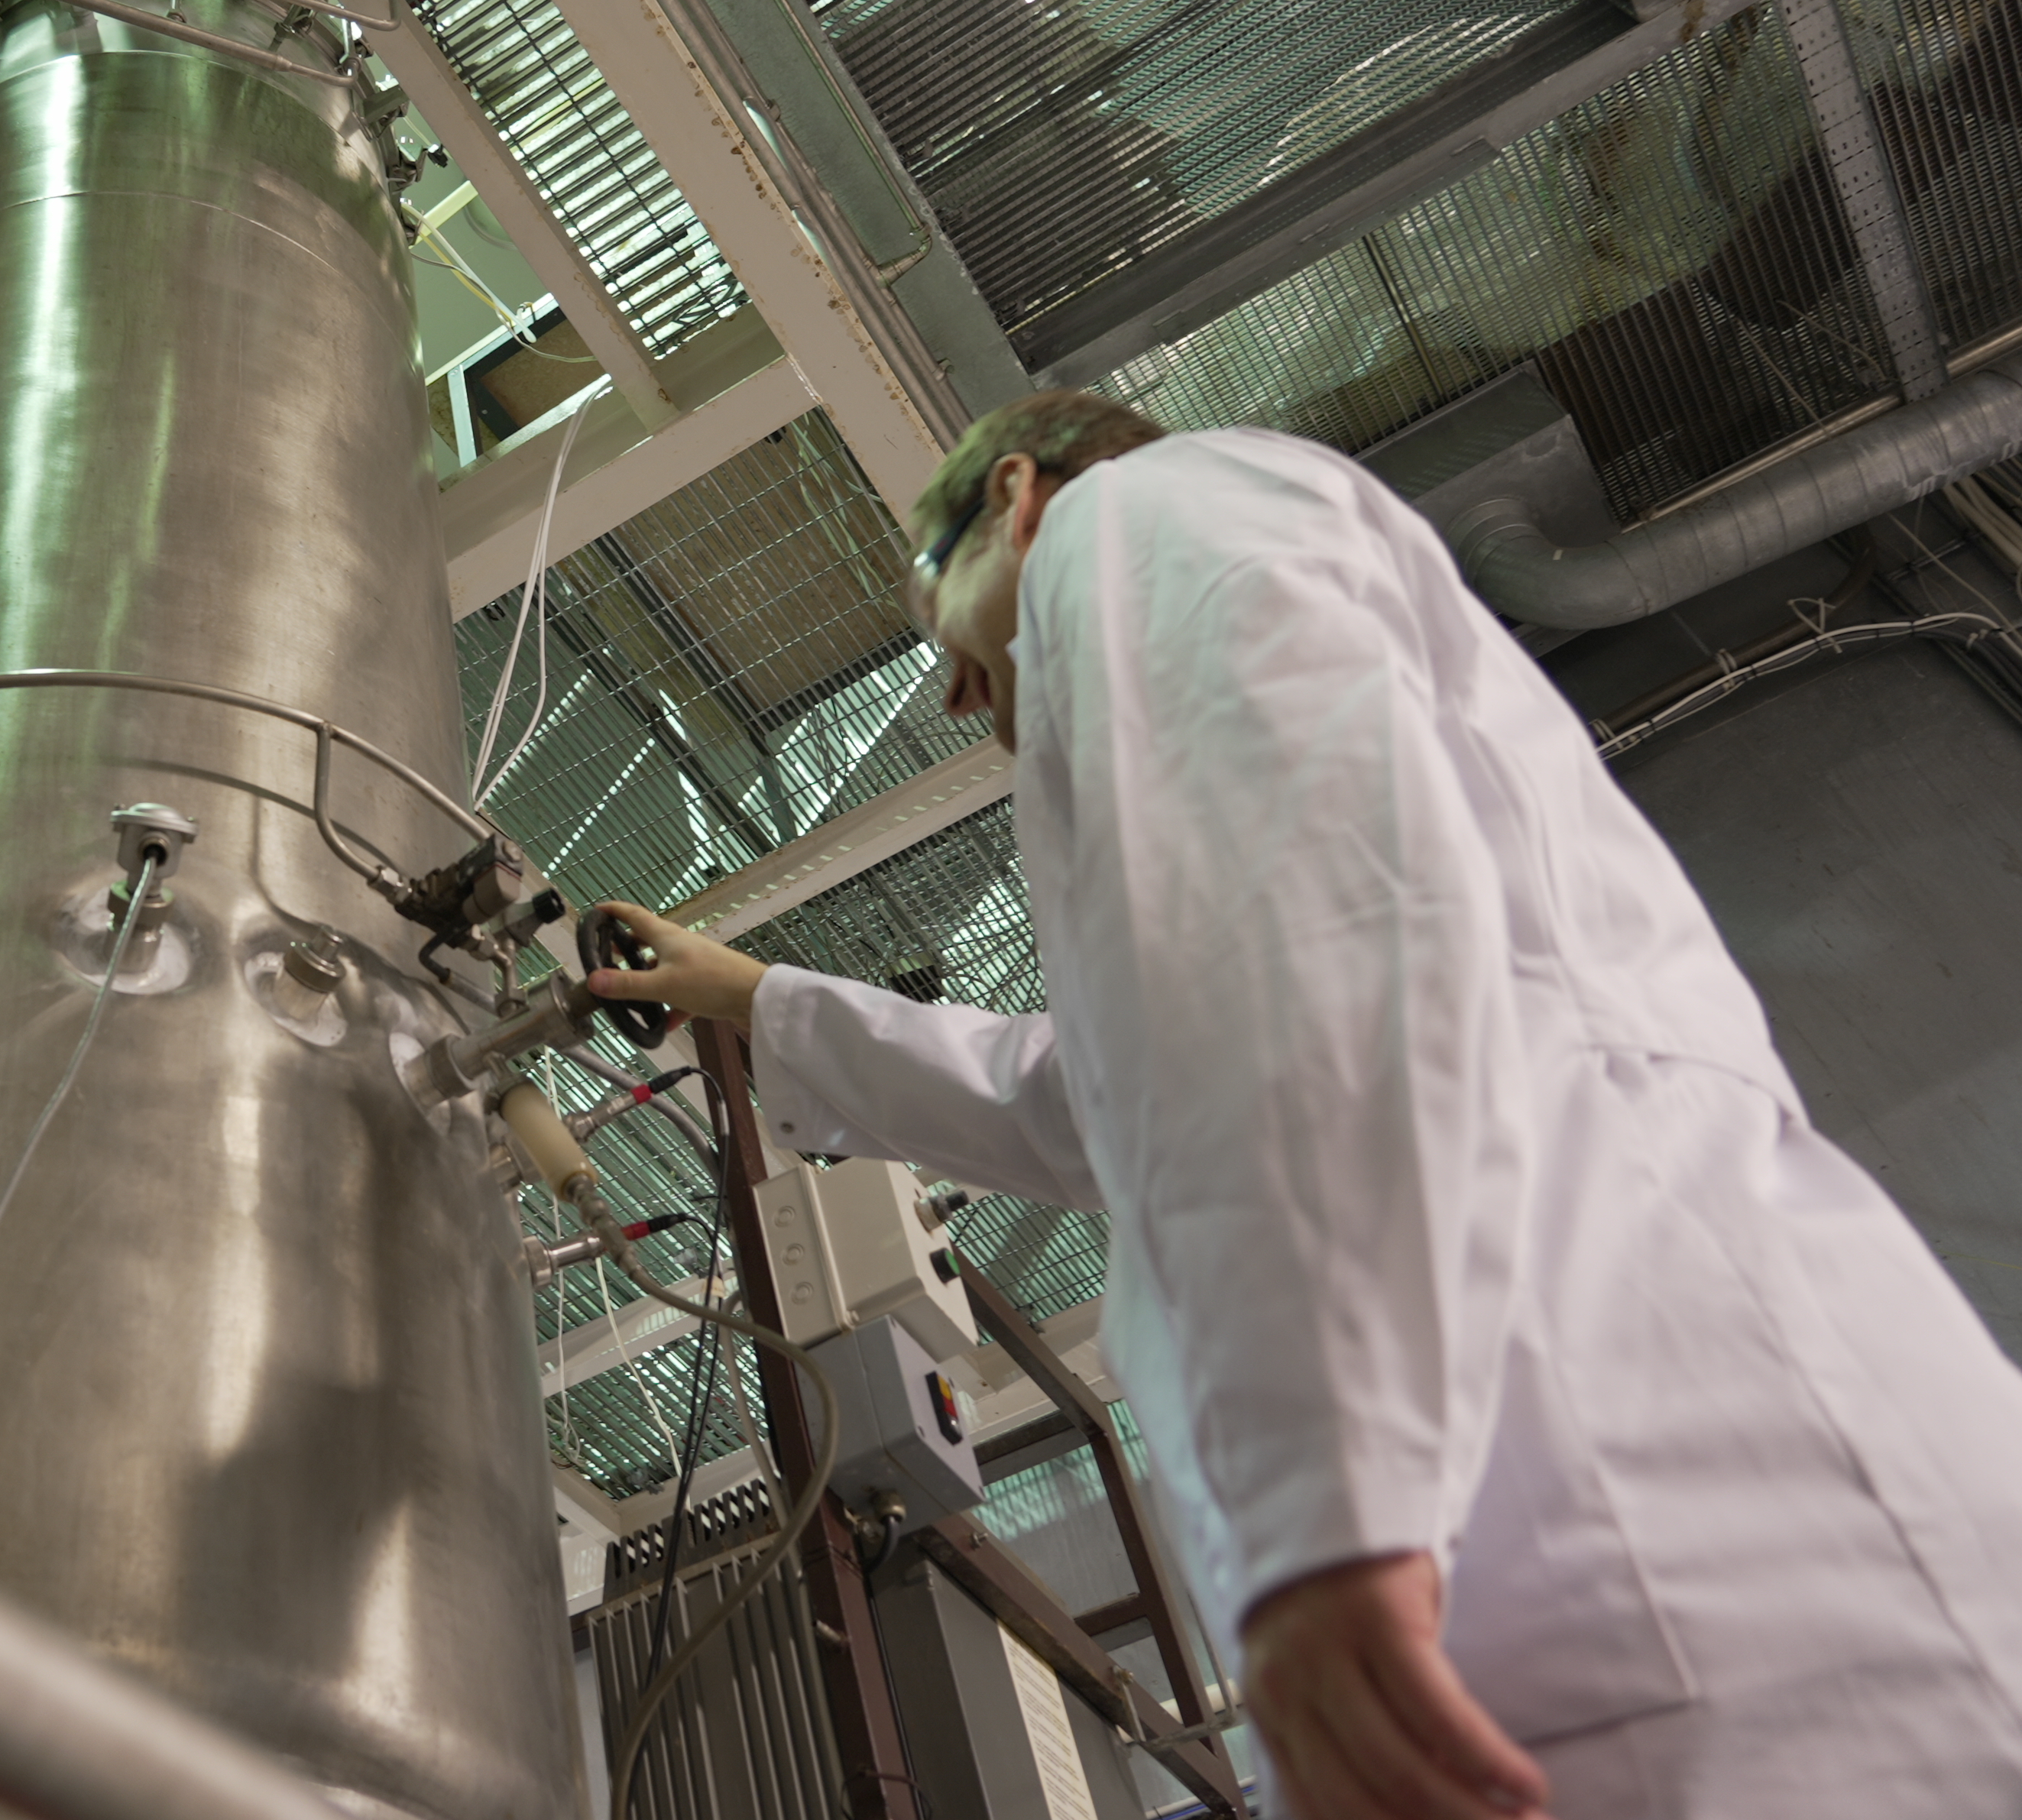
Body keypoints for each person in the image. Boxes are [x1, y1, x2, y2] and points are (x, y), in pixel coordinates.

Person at [585, 391, 2022, 1820]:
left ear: (1018, 493)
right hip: (1599, 1510)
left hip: (1649, 1474)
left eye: (937, 619)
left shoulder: (1133, 521)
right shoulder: (1218, 768)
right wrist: (756, 1000)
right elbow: (1114, 1100)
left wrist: (1326, 1523)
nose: (959, 689)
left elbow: (1315, 914)